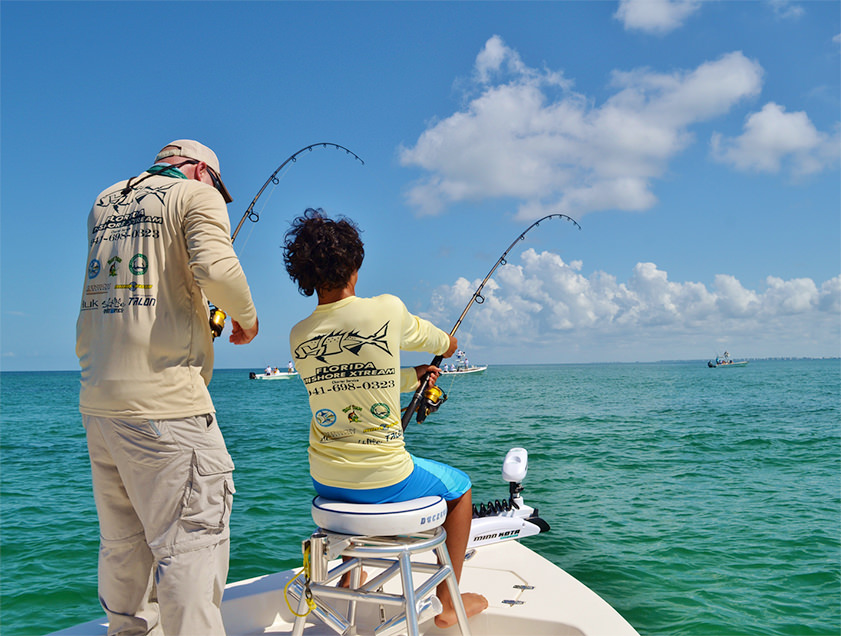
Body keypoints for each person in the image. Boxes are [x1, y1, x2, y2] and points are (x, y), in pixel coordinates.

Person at [76, 139, 259, 635]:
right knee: (191, 550)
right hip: (169, 405)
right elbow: (217, 268)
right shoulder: (197, 197)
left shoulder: (104, 200)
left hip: (100, 404)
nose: (218, 198)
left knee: (122, 545)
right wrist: (246, 318)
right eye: (219, 188)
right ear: (202, 171)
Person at [283, 208, 488, 628]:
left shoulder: (298, 336)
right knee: (461, 489)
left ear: (305, 274)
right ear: (354, 267)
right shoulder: (387, 309)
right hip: (385, 478)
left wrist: (412, 379)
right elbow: (440, 343)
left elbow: (353, 377)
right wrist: (447, 345)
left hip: (326, 481)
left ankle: (348, 585)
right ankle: (449, 606)